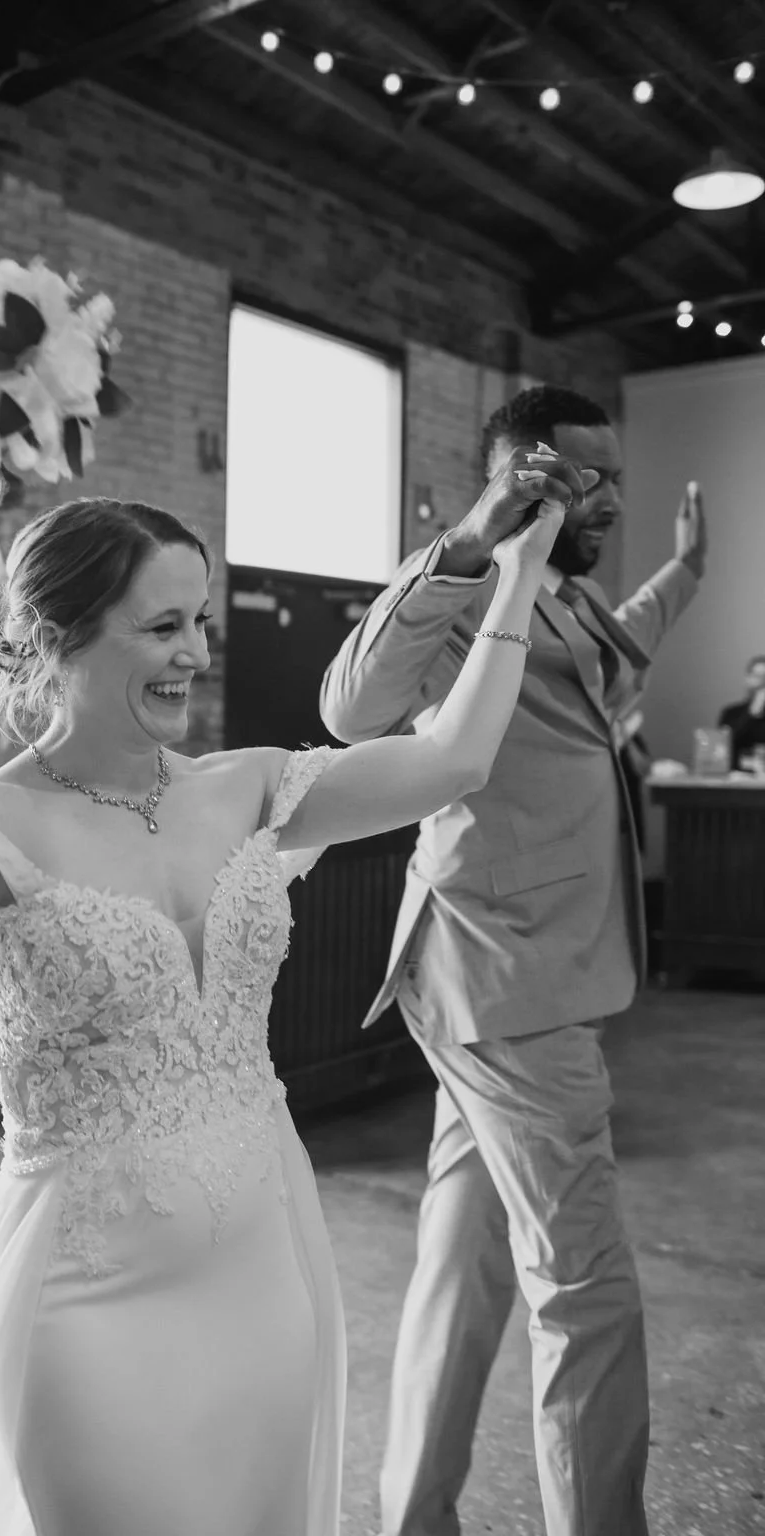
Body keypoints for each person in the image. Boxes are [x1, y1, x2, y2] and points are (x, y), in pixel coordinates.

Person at [0, 448, 584, 1536]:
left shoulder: (249, 788)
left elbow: (455, 761)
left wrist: (517, 569)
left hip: (264, 1265)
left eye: (201, 622)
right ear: (57, 635)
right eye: (163, 626)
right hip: (83, 1296)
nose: (196, 653)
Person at [320, 384, 706, 1536]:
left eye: (616, 478)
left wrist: (687, 570)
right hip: (505, 976)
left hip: (519, 972)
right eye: (592, 478)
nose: (610, 500)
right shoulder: (473, 582)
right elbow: (351, 707)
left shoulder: (566, 598)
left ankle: (413, 1515)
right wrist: (465, 541)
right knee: (585, 1289)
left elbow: (613, 668)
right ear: (529, 472)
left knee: (465, 1264)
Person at [717, 654, 765, 769]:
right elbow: (723, 748)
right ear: (747, 679)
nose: (762, 683)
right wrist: (751, 713)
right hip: (737, 775)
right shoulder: (731, 713)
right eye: (758, 676)